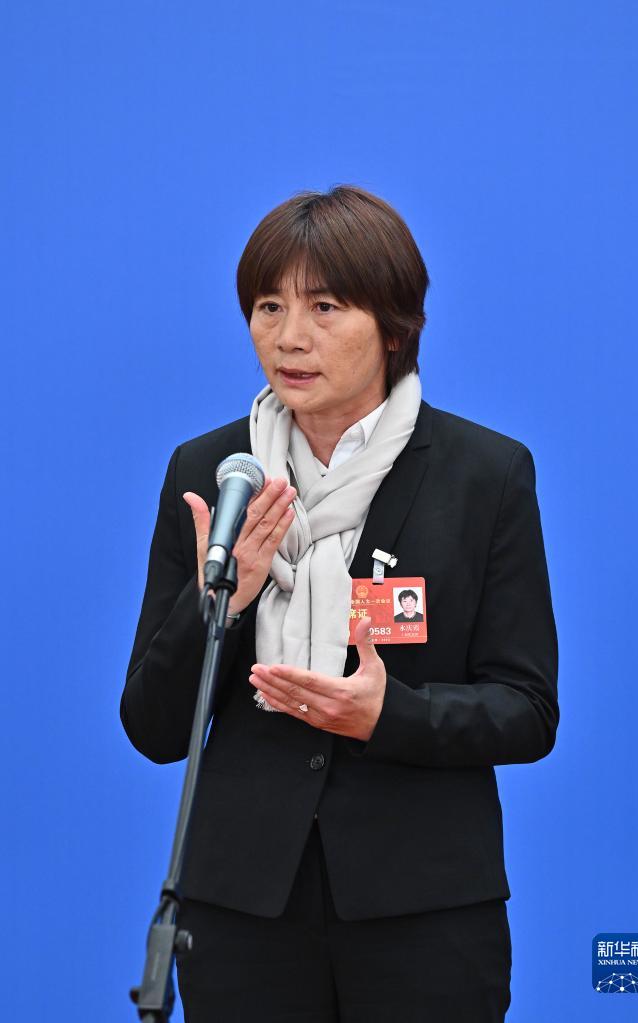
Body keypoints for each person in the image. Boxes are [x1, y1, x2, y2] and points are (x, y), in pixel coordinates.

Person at [121, 185, 559, 1022]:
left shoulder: (484, 475)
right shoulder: (217, 475)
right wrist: (224, 601)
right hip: (242, 911)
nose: (290, 336)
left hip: (423, 910)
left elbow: (528, 709)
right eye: (269, 306)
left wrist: (387, 715)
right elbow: (152, 726)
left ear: (394, 326)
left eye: (324, 307)